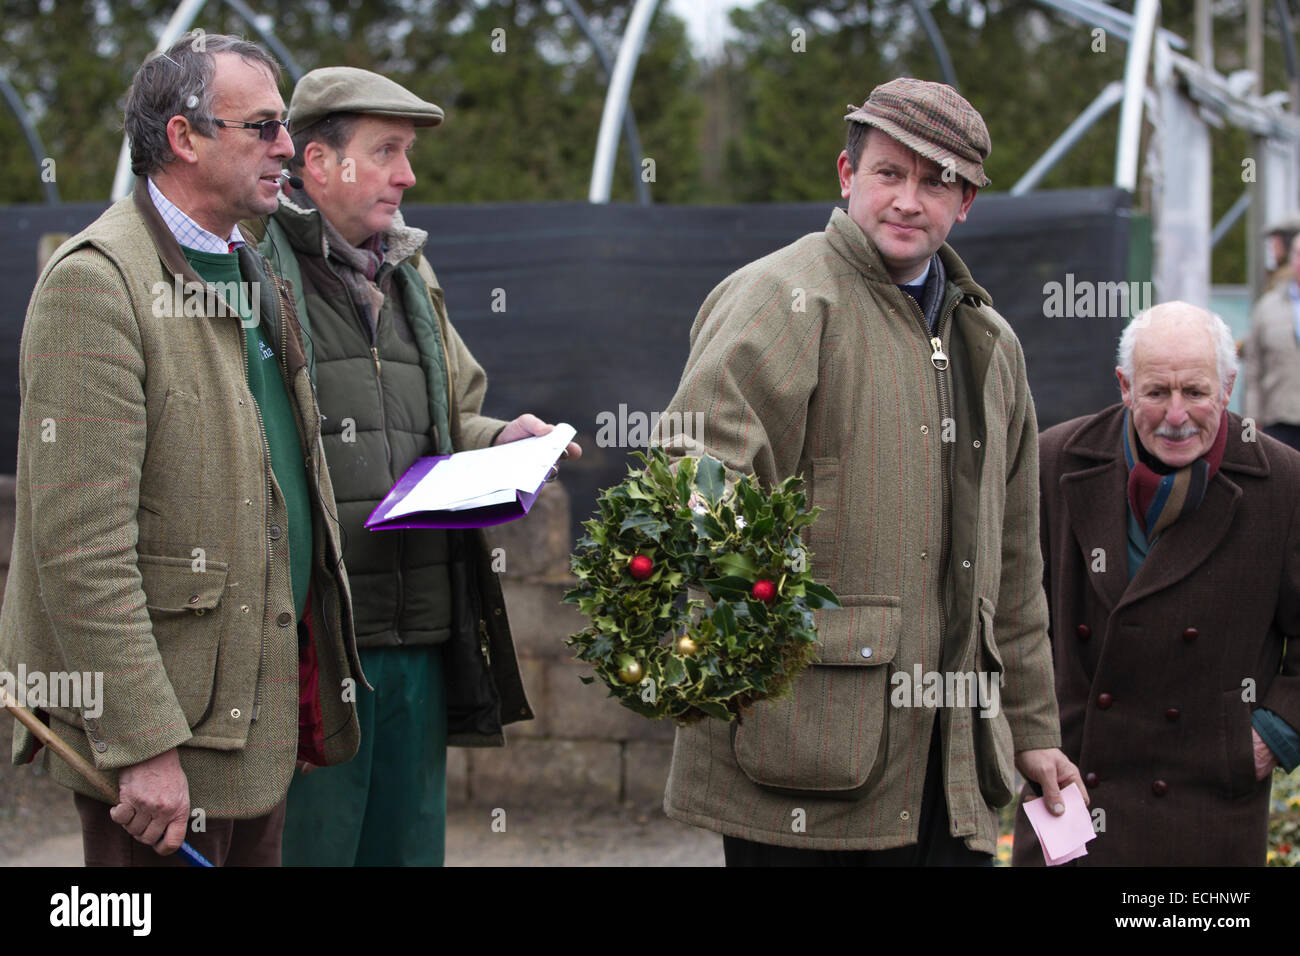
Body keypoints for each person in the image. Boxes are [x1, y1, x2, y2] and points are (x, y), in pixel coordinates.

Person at [654, 77, 1081, 865]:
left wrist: (1032, 732)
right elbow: (692, 473)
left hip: (951, 769)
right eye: (889, 173)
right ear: (847, 176)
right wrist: (762, 618)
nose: (910, 200)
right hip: (807, 755)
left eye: (936, 181)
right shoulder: (779, 299)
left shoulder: (992, 343)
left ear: (968, 203)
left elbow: (1014, 566)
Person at [0, 32, 362, 866]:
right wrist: (142, 743)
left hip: (255, 720)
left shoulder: (253, 264)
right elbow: (79, 546)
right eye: (263, 126)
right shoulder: (97, 283)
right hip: (168, 750)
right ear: (184, 137)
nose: (287, 147)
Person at [252, 66, 579, 866]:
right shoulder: (256, 272)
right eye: (388, 150)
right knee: (312, 852)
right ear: (319, 164)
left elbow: (450, 415)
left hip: (423, 636)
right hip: (321, 648)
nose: (409, 174)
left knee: (407, 854)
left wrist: (504, 438)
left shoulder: (410, 272)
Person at [1014, 301, 1300, 866]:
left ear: (1228, 386)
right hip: (1071, 791)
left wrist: (1272, 735)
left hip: (1206, 804)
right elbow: (1004, 614)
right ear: (1124, 386)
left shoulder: (1284, 483)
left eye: (1195, 392)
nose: (1175, 415)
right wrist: (1028, 733)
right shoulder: (1053, 461)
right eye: (1155, 392)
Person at [1244, 231, 1300, 451]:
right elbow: (1252, 369)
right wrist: (1250, 423)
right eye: (1297, 254)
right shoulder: (1267, 307)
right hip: (1278, 421)